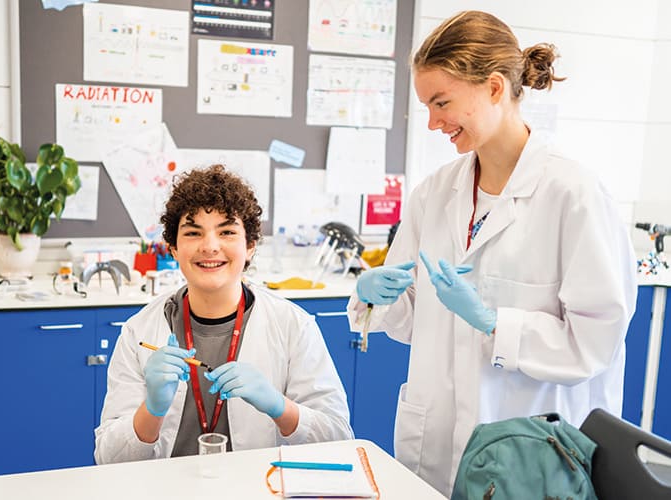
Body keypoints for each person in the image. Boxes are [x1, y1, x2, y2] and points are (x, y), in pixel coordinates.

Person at [346, 10, 637, 496]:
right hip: (436, 448)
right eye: (428, 107)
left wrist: (493, 321)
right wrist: (379, 296)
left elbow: (596, 343)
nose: (434, 122)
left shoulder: (574, 193)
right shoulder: (435, 193)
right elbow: (410, 322)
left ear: (496, 88)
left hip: (531, 455)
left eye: (443, 103)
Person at [95, 165, 352, 463]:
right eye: (193, 233)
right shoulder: (138, 331)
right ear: (174, 249)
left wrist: (280, 408)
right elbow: (108, 460)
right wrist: (151, 410)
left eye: (227, 231)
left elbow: (338, 438)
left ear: (250, 246)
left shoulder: (294, 325)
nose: (210, 246)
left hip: (259, 488)